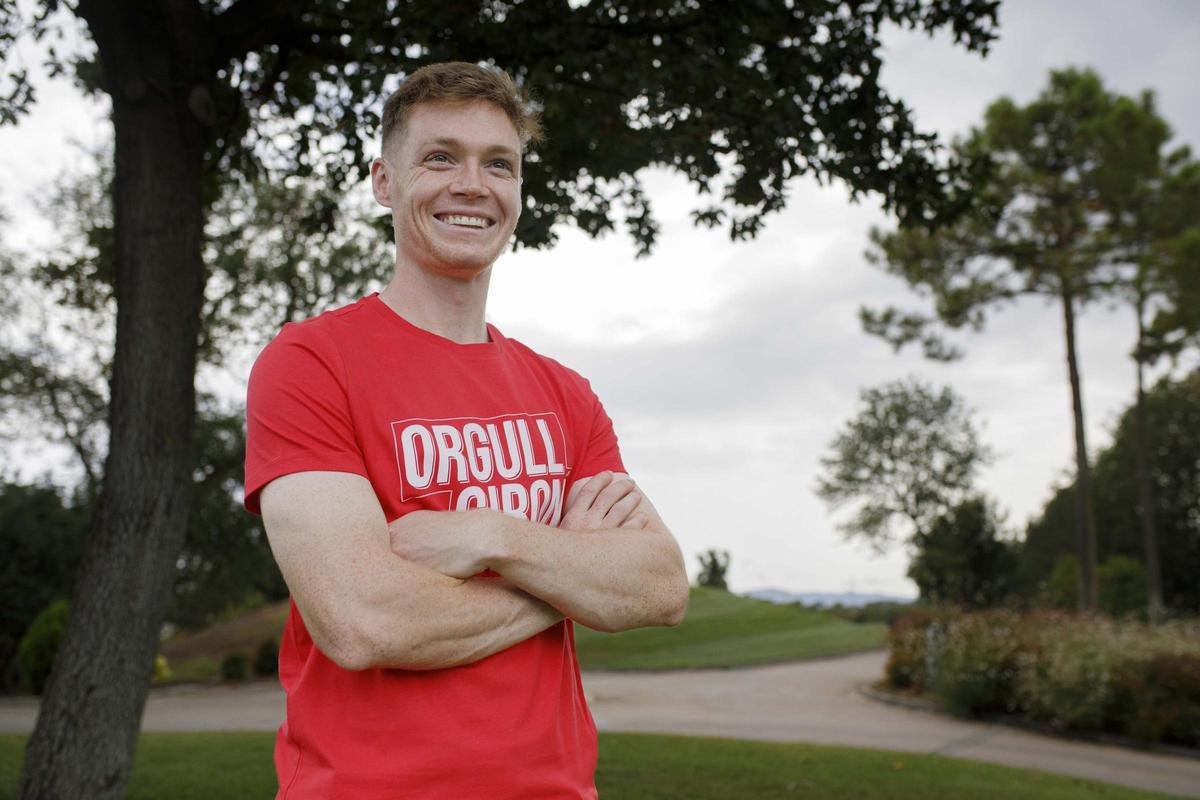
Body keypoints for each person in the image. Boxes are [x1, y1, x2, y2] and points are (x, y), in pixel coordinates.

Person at [243, 61, 689, 799]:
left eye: (499, 164)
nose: (472, 185)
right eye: (440, 157)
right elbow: (364, 621)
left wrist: (496, 537)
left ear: (518, 191)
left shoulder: (564, 393)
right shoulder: (310, 364)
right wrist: (573, 577)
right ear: (385, 181)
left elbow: (662, 586)